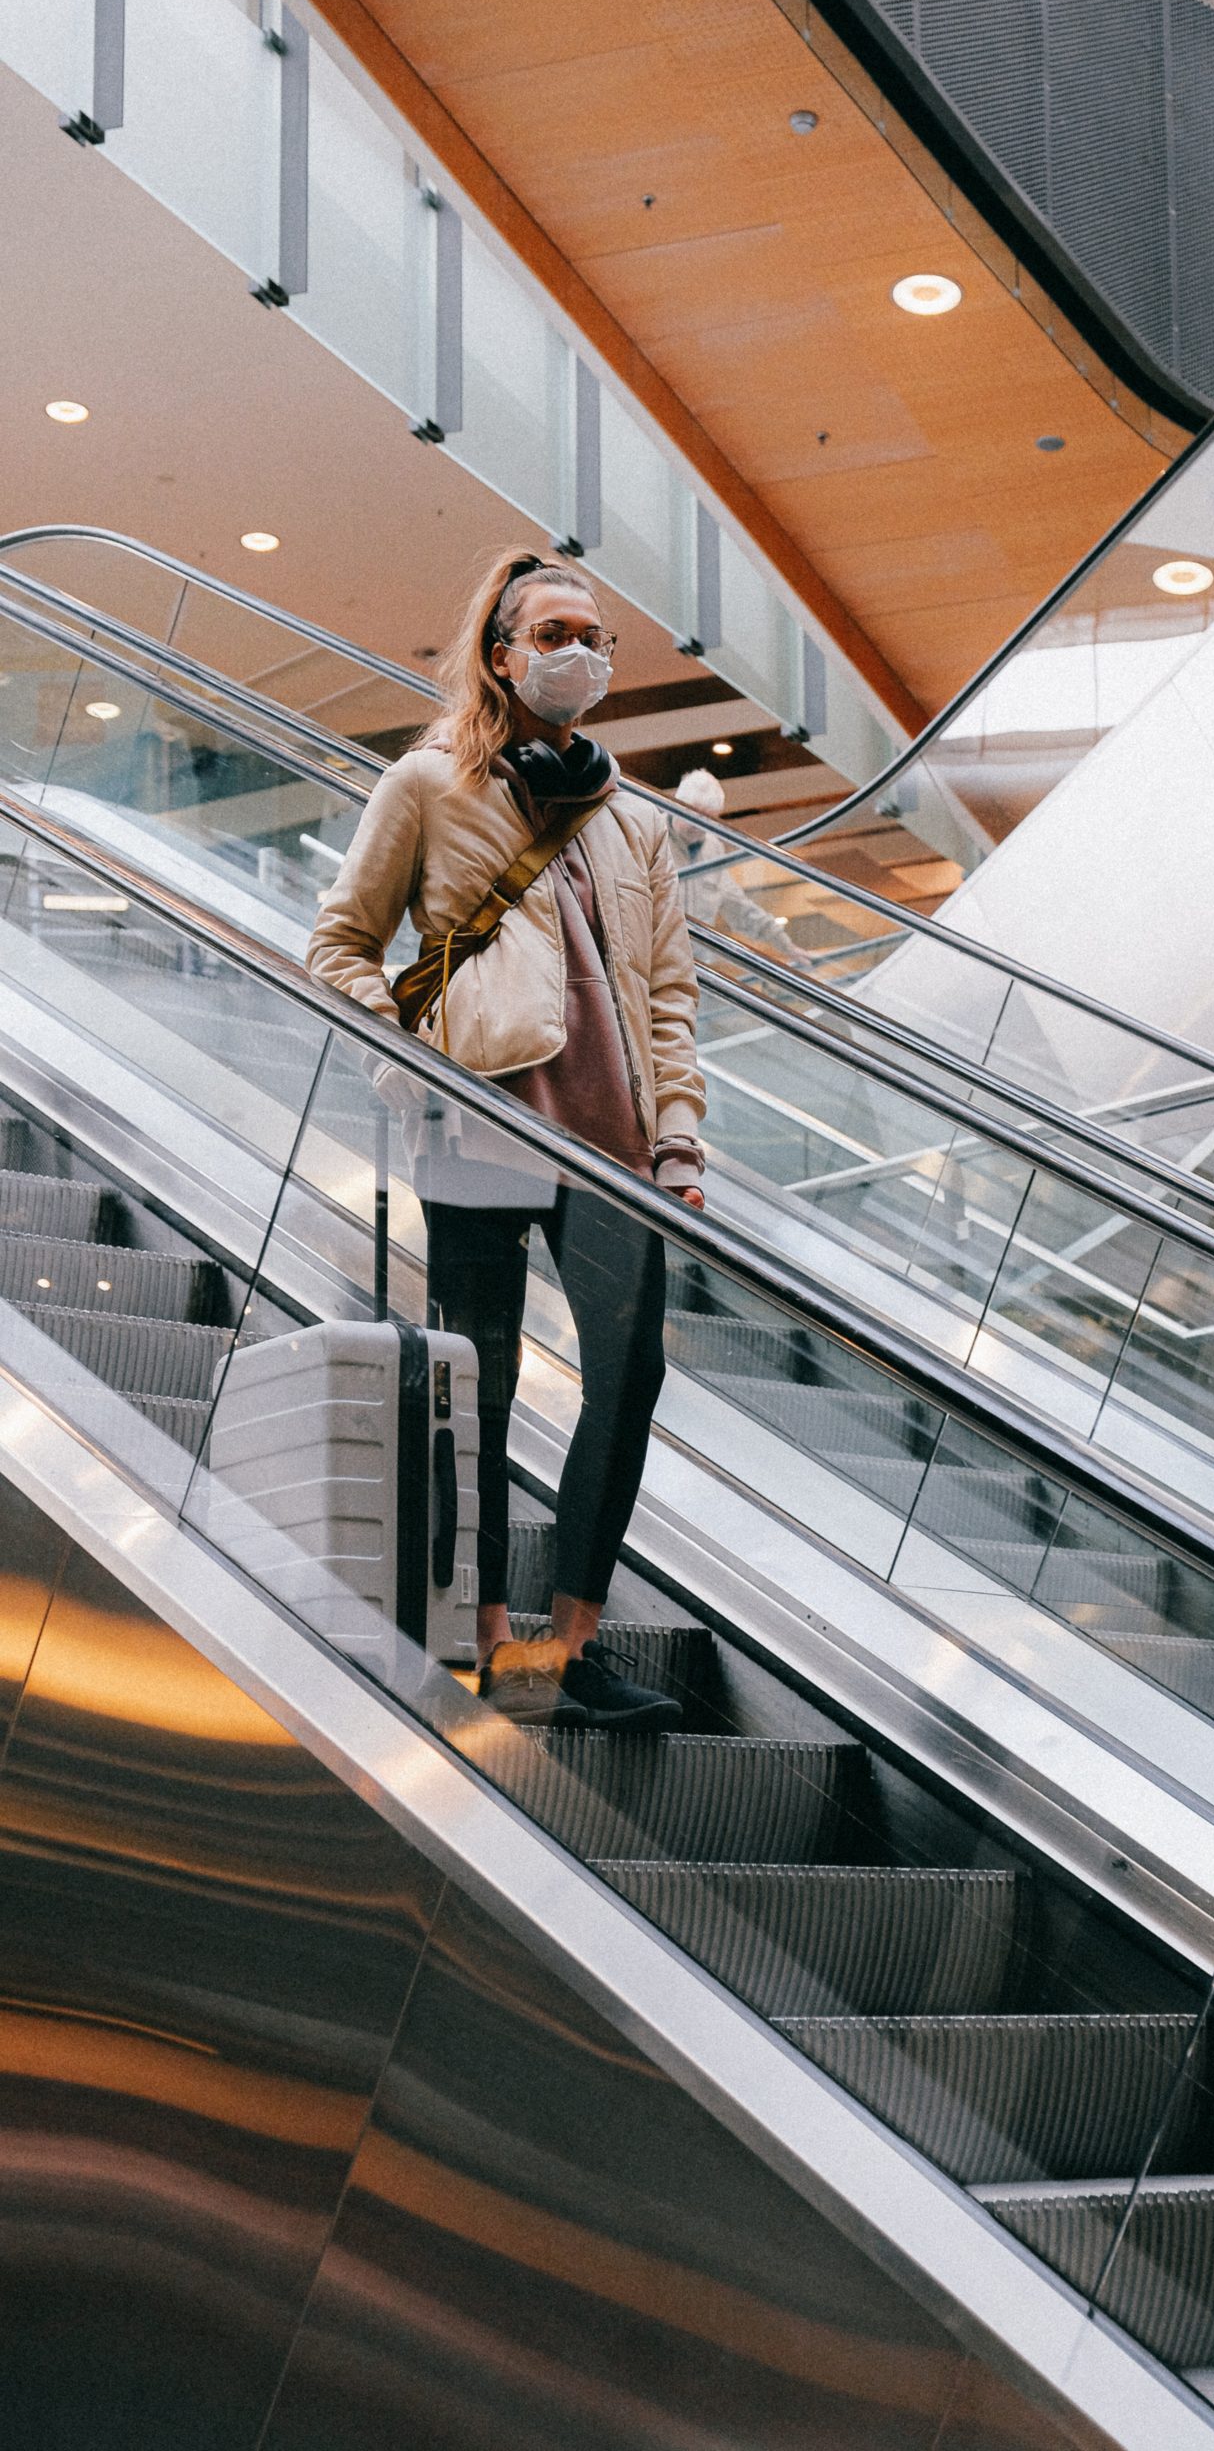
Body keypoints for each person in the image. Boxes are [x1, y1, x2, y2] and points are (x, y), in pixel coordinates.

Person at [308, 552, 707, 1733]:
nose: (577, 651)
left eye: (594, 634)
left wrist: (677, 1142)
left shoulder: (633, 823)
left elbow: (672, 999)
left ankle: (569, 1646)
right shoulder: (429, 782)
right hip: (479, 1125)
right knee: (476, 1391)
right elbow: (339, 946)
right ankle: (491, 1647)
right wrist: (409, 1072)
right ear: (500, 650)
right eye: (551, 632)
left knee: (630, 1375)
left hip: (612, 1148)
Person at [671, 766, 800, 960]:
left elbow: (738, 906)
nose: (699, 827)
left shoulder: (713, 849)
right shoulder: (651, 837)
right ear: (677, 805)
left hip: (698, 966)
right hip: (659, 961)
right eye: (695, 816)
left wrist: (786, 946)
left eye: (708, 820)